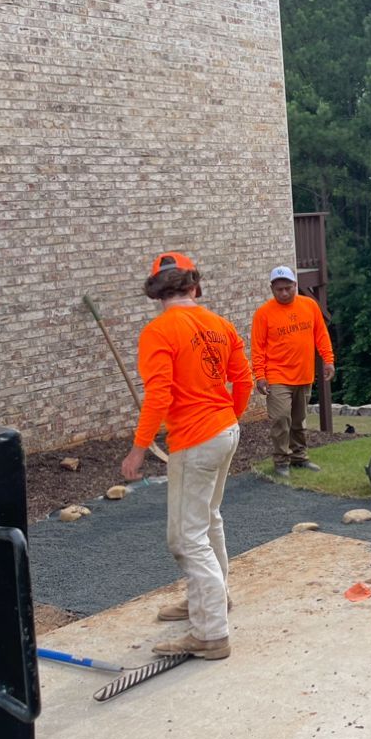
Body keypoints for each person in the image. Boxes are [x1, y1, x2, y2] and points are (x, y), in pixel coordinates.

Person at [120, 252, 251, 660]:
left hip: (197, 439)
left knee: (185, 538)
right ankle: (211, 599)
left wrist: (138, 450)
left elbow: (159, 395)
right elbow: (243, 380)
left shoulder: (159, 331)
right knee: (208, 521)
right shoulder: (221, 325)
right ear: (194, 286)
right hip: (225, 430)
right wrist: (227, 417)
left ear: (156, 292)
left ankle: (210, 632)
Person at [250, 265, 335, 477]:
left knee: (298, 420)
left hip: (304, 374)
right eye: (279, 289)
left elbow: (321, 335)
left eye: (288, 288)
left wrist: (328, 360)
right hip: (277, 376)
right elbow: (257, 347)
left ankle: (300, 457)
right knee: (280, 418)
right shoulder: (263, 314)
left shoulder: (309, 306)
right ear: (272, 289)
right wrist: (260, 375)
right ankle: (281, 461)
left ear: (295, 285)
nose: (285, 293)